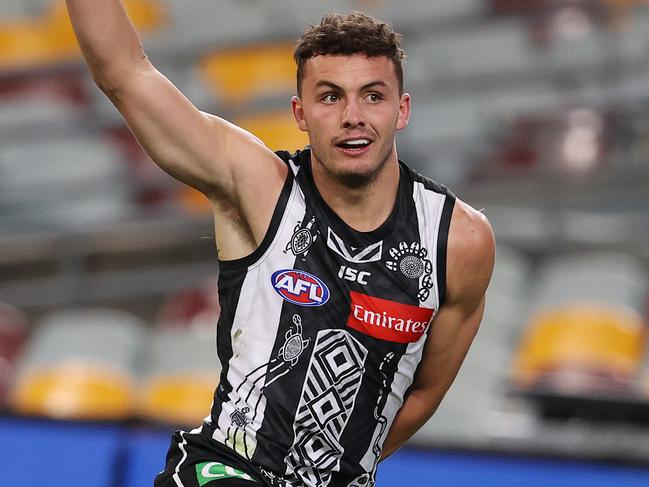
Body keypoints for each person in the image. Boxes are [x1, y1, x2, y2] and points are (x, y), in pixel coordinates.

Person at [66, 3, 495, 486]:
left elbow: (423, 393)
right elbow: (125, 74)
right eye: (330, 97)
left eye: (372, 96)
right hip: (224, 470)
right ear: (299, 113)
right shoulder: (258, 187)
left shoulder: (459, 240)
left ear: (402, 110)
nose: (353, 117)